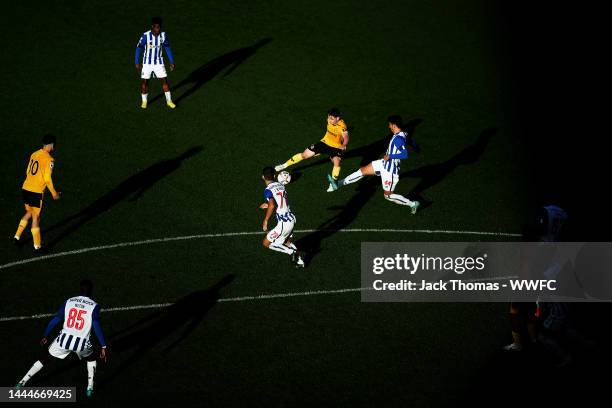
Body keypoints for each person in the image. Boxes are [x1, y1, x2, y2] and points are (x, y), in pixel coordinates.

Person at [16, 280, 108, 397]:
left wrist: (45, 335)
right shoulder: (94, 306)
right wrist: (103, 346)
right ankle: (89, 388)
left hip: (63, 341)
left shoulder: (69, 301)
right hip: (82, 344)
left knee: (45, 359)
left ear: (80, 289)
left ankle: (21, 382)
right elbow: (96, 326)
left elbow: (56, 319)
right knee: (91, 359)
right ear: (91, 290)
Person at [327, 115, 420, 214]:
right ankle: (337, 184)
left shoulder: (398, 139)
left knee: (388, 195)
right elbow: (409, 140)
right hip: (383, 163)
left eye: (389, 125)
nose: (389, 127)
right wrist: (415, 146)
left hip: (390, 171)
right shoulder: (404, 133)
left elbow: (405, 154)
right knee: (362, 171)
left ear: (393, 125)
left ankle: (412, 204)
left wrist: (390, 156)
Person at [274, 108, 350, 191]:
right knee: (304, 155)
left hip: (336, 147)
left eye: (331, 118)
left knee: (337, 161)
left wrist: (344, 144)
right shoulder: (329, 120)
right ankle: (284, 165)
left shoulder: (342, 126)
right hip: (324, 143)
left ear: (338, 118)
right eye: (328, 117)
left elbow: (346, 136)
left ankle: (333, 183)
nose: (329, 120)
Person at [13, 134, 61, 250]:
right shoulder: (49, 160)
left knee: (29, 212)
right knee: (36, 217)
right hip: (36, 192)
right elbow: (48, 179)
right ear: (51, 145)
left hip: (25, 188)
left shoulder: (34, 154)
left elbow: (28, 170)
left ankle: (17, 236)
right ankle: (37, 246)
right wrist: (54, 194)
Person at [260, 167, 305, 267]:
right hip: (292, 218)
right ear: (275, 176)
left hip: (284, 223)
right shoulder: (281, 186)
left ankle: (290, 252)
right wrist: (268, 205)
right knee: (286, 241)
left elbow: (272, 205)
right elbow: (281, 202)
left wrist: (266, 220)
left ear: (263, 177)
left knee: (266, 243)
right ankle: (300, 261)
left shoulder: (267, 190)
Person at [135, 16, 176, 109]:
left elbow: (167, 48)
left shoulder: (163, 35)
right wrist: (136, 62)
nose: (158, 29)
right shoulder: (145, 36)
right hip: (147, 63)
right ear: (152, 27)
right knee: (144, 83)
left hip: (159, 62)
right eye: (156, 27)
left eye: (159, 27)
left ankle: (169, 101)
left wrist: (171, 61)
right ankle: (144, 102)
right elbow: (138, 48)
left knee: (165, 82)